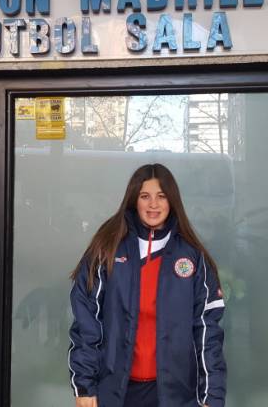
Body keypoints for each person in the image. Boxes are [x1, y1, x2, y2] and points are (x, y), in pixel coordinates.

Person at [68, 164, 226, 407]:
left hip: (176, 395)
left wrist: (211, 396)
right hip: (116, 392)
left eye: (161, 196)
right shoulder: (108, 248)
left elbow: (207, 331)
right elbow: (86, 322)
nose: (153, 204)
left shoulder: (192, 256)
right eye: (145, 196)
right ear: (134, 200)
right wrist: (84, 385)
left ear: (172, 201)